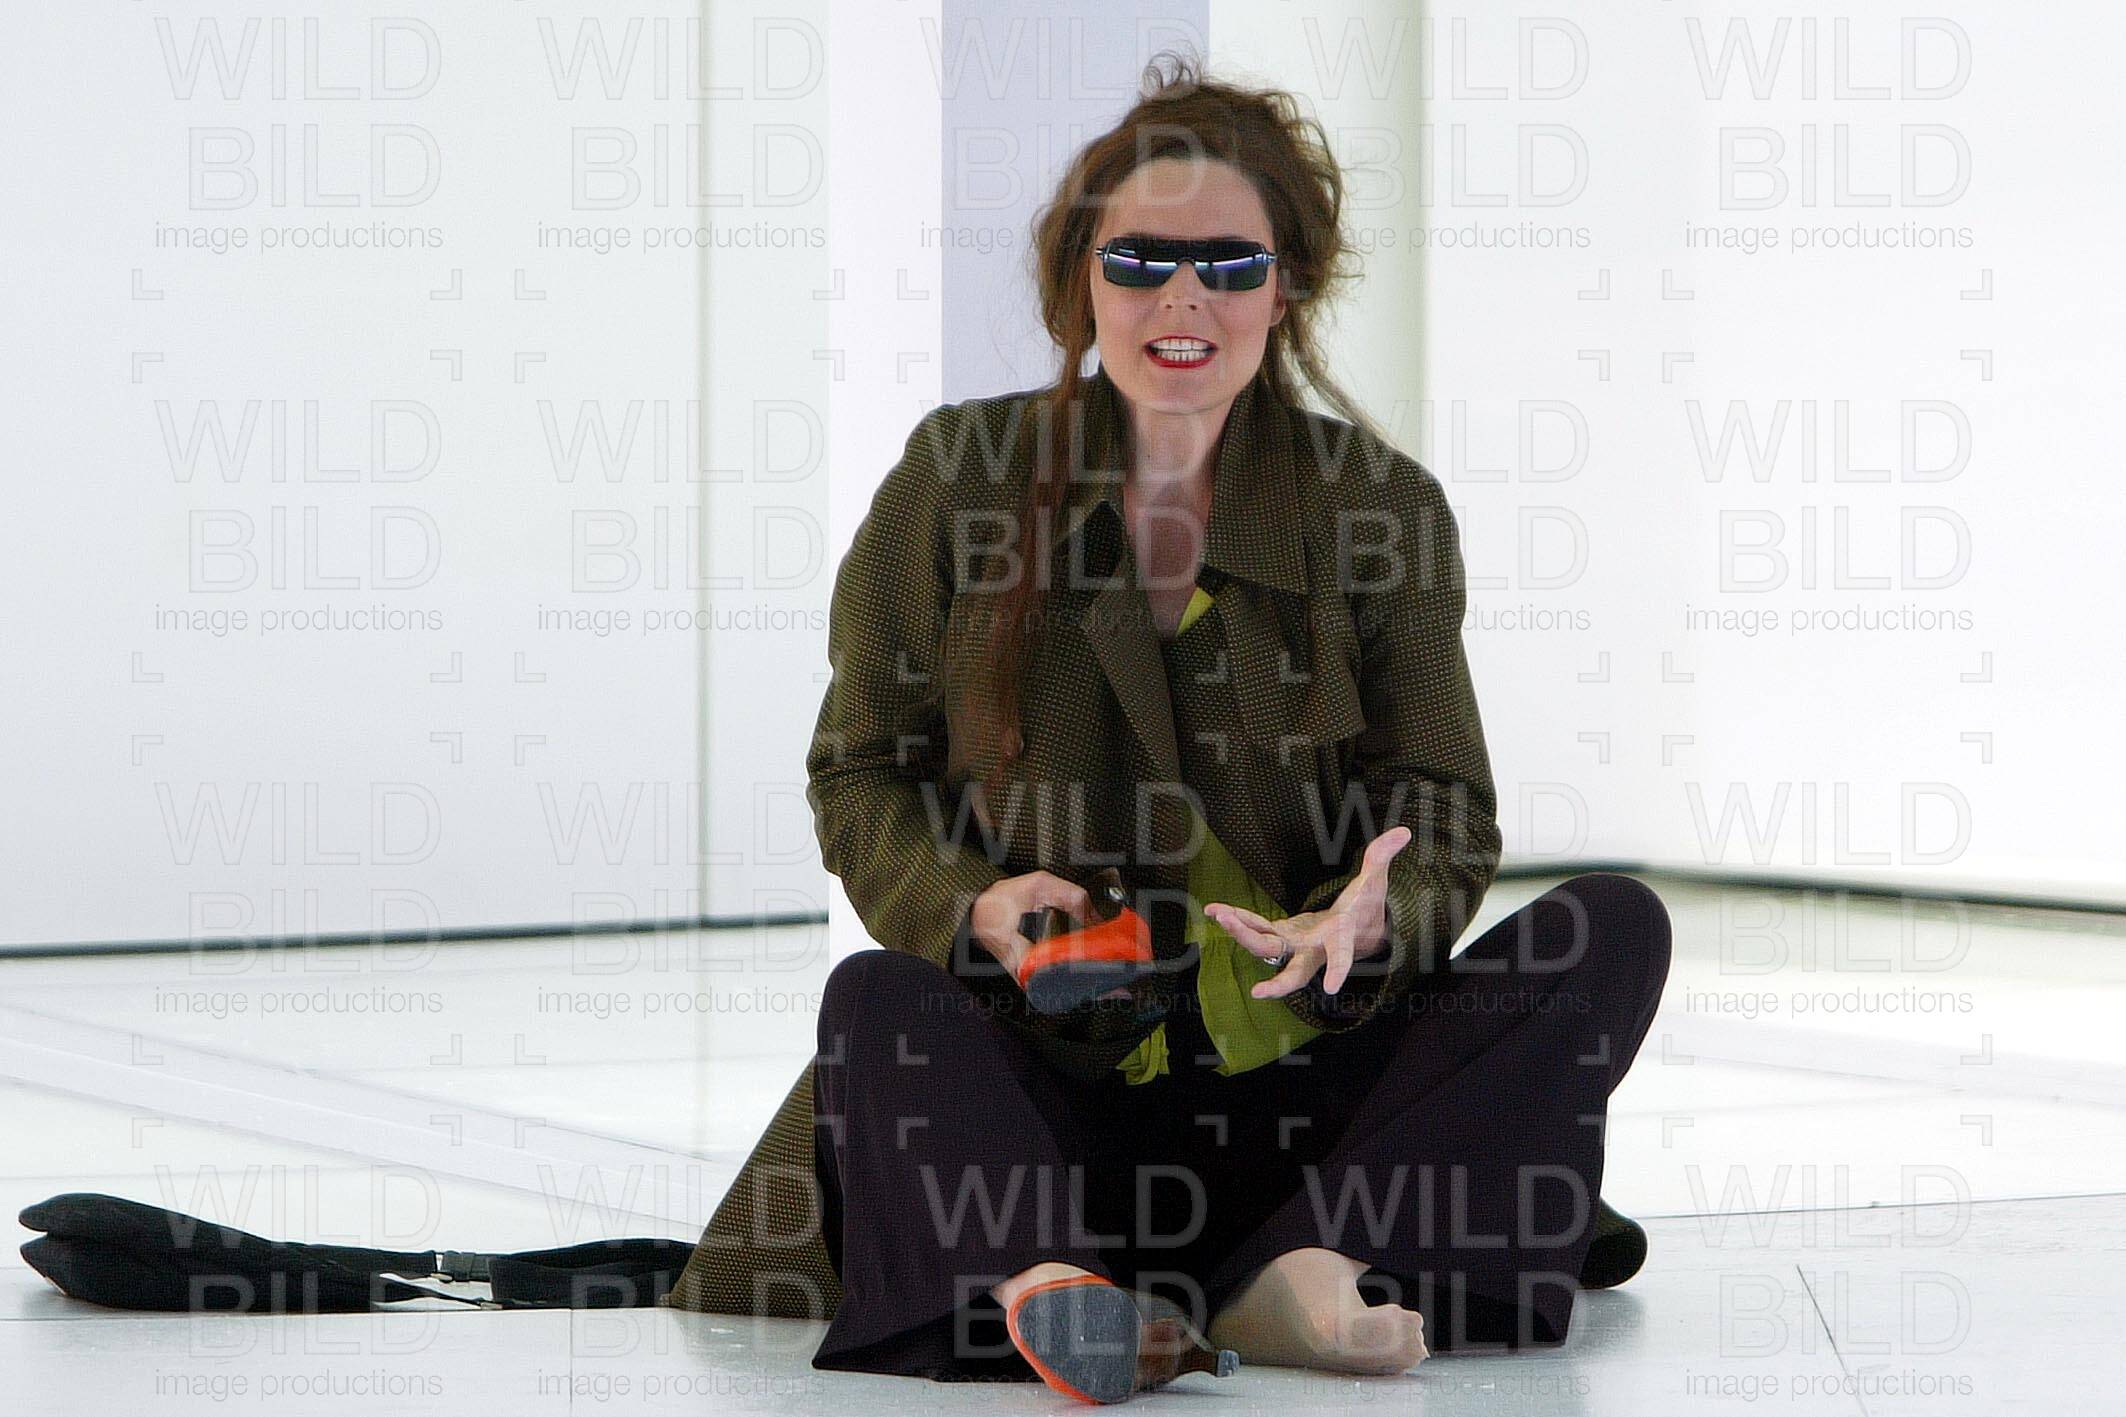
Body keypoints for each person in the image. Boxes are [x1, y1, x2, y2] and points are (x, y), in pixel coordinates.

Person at [658, 52, 1673, 1397]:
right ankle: (1049, 1286)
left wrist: (1374, 920)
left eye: (1228, 265)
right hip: (1057, 1102)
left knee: (1610, 927)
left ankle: (1307, 1270)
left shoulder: (1377, 505)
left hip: (1313, 1102)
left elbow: (1439, 801)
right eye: (1140, 260)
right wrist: (971, 908)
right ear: (1082, 277)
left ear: (1285, 288)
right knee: (880, 1000)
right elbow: (862, 773)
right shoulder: (957, 480)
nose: (1182, 299)